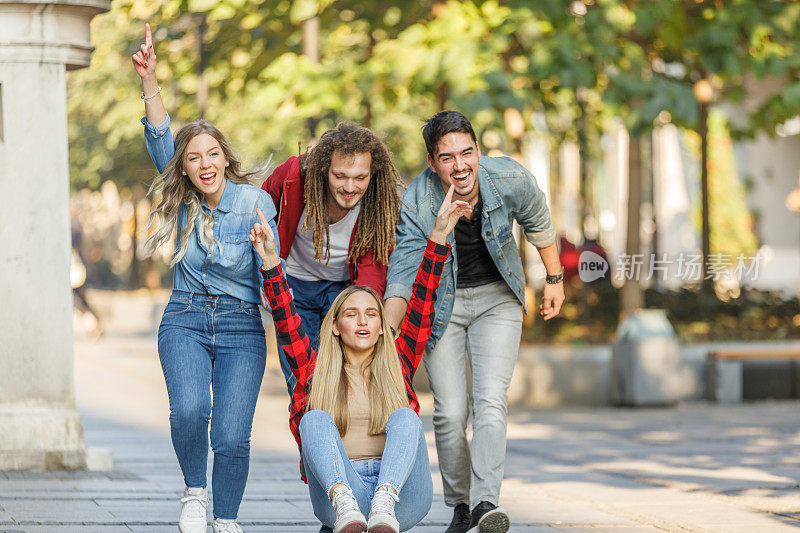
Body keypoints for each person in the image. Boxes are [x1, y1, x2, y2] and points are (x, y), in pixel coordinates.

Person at [250, 185, 472, 533]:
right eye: (352, 314)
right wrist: (269, 262)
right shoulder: (315, 370)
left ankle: (382, 505)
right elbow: (285, 318)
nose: (364, 320)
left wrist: (440, 233)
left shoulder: (397, 362)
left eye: (372, 314)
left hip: (400, 496)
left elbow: (423, 300)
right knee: (313, 419)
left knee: (406, 417)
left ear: (383, 327)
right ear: (336, 327)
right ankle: (347, 508)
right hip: (341, 493)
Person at [384, 111, 565, 533]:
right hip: (441, 304)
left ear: (479, 151)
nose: (460, 165)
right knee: (448, 411)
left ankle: (486, 503)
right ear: (433, 163)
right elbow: (403, 269)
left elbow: (539, 222)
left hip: (497, 300)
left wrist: (555, 280)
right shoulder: (418, 199)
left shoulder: (509, 179)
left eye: (468, 152)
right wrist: (388, 334)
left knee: (489, 401)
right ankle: (460, 505)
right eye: (447, 158)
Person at [132, 24, 279, 533]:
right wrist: (150, 80)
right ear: (186, 169)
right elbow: (158, 136)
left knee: (234, 436)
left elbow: (274, 271)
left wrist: (265, 256)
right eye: (193, 158)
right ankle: (196, 492)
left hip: (241, 326)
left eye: (211, 154)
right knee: (190, 410)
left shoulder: (256, 203)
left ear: (225, 158)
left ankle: (226, 519)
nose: (203, 163)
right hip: (186, 317)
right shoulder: (184, 204)